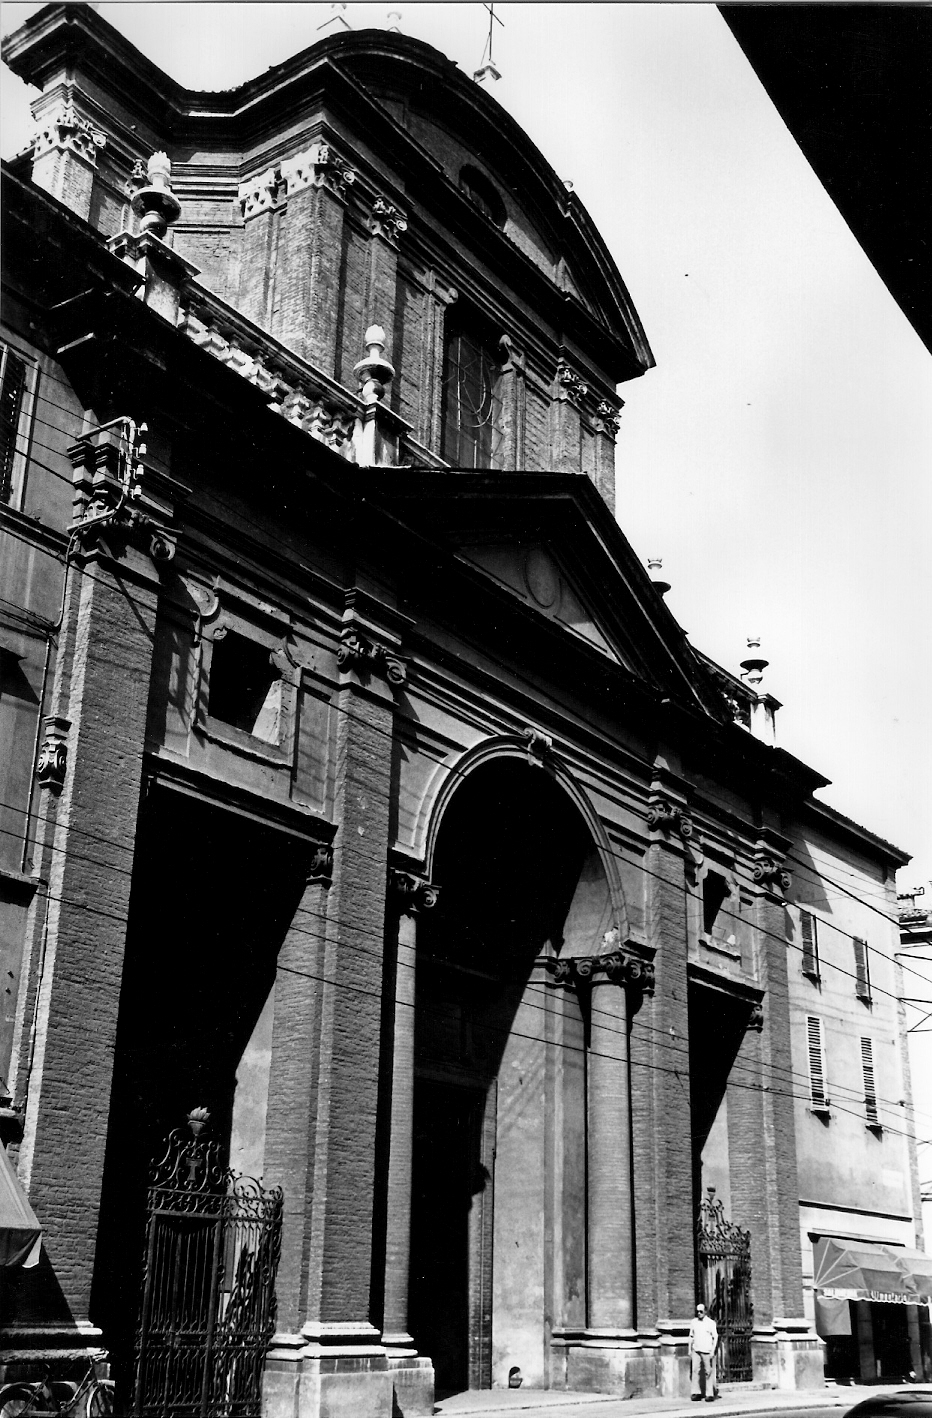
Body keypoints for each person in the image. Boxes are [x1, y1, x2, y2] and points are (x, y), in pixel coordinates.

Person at [688, 1302, 719, 1401]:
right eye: (697, 1311)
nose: (699, 1313)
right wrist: (689, 1349)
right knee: (695, 1370)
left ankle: (709, 1394)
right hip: (696, 1350)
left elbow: (715, 1337)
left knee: (708, 1372)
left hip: (707, 1350)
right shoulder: (694, 1322)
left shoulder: (711, 1323)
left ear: (705, 1312)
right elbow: (691, 1336)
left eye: (701, 1311)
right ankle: (696, 1392)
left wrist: (713, 1351)